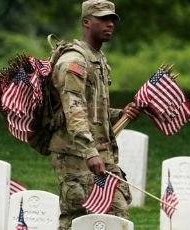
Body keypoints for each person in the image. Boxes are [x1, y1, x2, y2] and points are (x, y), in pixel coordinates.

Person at [48, 0, 140, 229]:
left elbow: (92, 109)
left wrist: (120, 114)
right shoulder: (74, 61)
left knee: (114, 217)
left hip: (99, 152)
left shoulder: (97, 59)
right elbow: (74, 110)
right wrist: (90, 152)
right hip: (75, 154)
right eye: (103, 19)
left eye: (112, 19)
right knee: (77, 218)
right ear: (86, 22)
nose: (110, 24)